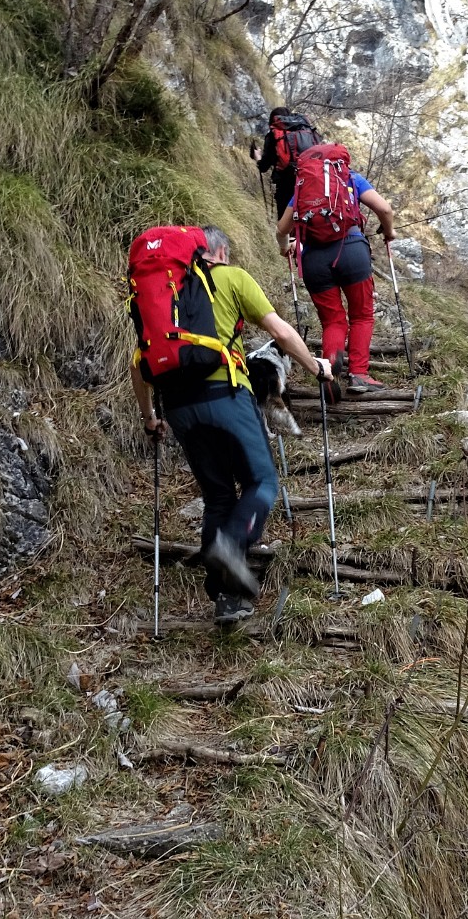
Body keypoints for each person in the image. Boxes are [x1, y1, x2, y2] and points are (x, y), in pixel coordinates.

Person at [130, 225, 335, 623]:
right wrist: (317, 368)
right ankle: (232, 545)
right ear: (220, 252)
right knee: (262, 482)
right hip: (226, 395)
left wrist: (150, 419)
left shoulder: (158, 295)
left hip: (178, 407)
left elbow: (140, 363)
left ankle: (227, 599)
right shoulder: (232, 278)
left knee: (220, 497)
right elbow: (279, 332)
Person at [274, 163, 397, 393]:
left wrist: (284, 247)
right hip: (351, 251)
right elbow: (385, 210)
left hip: (313, 259)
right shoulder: (351, 179)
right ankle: (359, 374)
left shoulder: (303, 187)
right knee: (361, 315)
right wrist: (389, 231)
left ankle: (329, 373)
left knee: (332, 320)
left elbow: (282, 229)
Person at [250, 107, 307, 220]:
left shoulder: (274, 135)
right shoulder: (303, 131)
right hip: (308, 183)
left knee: (285, 225)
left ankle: (288, 237)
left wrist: (258, 157)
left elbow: (263, 166)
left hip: (286, 185)